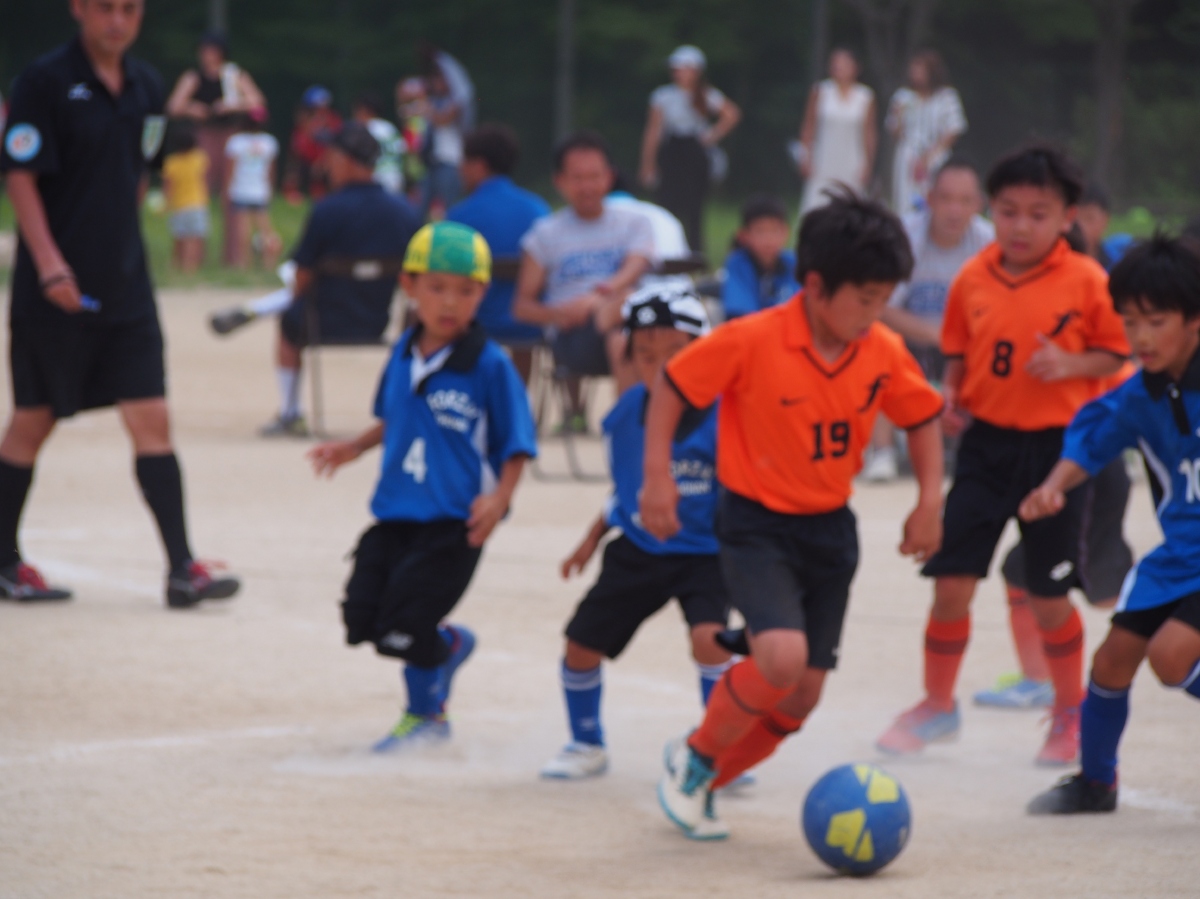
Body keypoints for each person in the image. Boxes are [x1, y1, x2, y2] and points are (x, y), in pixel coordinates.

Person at [646, 190, 945, 841]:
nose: (873, 314)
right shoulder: (752, 338)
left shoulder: (881, 349)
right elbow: (673, 386)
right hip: (755, 524)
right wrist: (657, 477)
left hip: (831, 530)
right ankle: (697, 757)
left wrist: (929, 500)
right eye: (864, 299)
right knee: (781, 658)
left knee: (802, 694)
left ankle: (706, 780)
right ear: (814, 286)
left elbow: (922, 417)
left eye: (883, 300)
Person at [876, 146, 1131, 766]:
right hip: (985, 448)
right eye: (1009, 211)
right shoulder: (973, 277)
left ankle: (1068, 713)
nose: (1021, 226)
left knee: (1048, 595)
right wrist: (952, 397)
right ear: (992, 210)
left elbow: (1118, 353)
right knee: (951, 583)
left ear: (1067, 217)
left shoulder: (1087, 280)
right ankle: (937, 705)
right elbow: (959, 357)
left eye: (1038, 214)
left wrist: (1071, 362)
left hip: (1059, 454)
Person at [0, 0, 239, 608]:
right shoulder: (44, 81)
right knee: (34, 419)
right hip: (54, 289)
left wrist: (120, 242)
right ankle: (3, 561)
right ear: (79, 8)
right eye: (105, 7)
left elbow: (139, 170)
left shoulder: (146, 86)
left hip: (126, 287)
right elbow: (20, 174)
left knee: (152, 414)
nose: (118, 20)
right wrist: (50, 264)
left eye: (129, 8)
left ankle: (182, 570)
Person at [307, 221, 537, 751]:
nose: (450, 302)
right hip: (395, 513)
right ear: (409, 286)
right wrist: (354, 447)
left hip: (453, 522)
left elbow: (517, 443)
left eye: (466, 290)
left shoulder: (490, 364)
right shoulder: (403, 352)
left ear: (483, 294)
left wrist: (500, 499)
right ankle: (450, 646)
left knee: (406, 628)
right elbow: (397, 416)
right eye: (436, 288)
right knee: (362, 619)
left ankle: (427, 717)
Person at [1023, 236, 1200, 814]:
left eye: (1157, 321)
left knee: (1172, 655)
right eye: (1130, 322)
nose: (1141, 337)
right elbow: (1093, 442)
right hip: (1182, 555)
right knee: (1113, 659)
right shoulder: (1139, 397)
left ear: (1194, 321)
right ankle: (1096, 784)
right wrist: (1053, 486)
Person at [541, 284, 730, 780]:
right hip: (641, 548)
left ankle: (720, 749)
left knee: (712, 640)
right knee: (580, 645)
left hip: (706, 554)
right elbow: (624, 490)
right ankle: (586, 743)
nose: (662, 366)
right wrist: (590, 539)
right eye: (645, 355)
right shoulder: (625, 416)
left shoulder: (725, 417)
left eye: (676, 352)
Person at [212, 123, 420, 436]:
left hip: (320, 322)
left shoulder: (327, 210)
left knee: (288, 321)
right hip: (377, 320)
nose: (325, 163)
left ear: (346, 160)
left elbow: (302, 277)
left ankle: (290, 412)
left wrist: (294, 290)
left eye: (331, 156)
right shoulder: (404, 212)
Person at [864, 159, 993, 482]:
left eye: (965, 201)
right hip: (909, 335)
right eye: (946, 199)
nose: (955, 210)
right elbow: (878, 306)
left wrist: (956, 340)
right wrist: (939, 334)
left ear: (978, 204)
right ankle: (882, 451)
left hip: (966, 343)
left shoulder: (989, 242)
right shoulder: (903, 236)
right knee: (877, 345)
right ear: (930, 198)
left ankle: (976, 445)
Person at [514, 131, 655, 427]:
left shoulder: (635, 223)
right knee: (631, 310)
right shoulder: (544, 235)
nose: (587, 186)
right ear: (560, 181)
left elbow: (636, 266)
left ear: (609, 177)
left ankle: (629, 430)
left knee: (621, 338)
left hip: (627, 331)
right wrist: (559, 314)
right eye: (577, 178)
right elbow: (522, 307)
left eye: (594, 176)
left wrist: (595, 299)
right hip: (573, 339)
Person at [446, 124, 549, 383]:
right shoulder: (538, 210)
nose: (460, 170)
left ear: (479, 166)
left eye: (464, 163)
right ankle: (519, 394)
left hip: (474, 324)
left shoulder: (460, 215)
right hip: (530, 326)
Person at [639, 46, 741, 254]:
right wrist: (648, 163)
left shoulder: (707, 95)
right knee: (667, 202)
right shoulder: (663, 96)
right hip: (672, 151)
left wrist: (712, 135)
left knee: (694, 205)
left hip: (695, 152)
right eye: (676, 69)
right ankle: (668, 249)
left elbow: (731, 114)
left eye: (684, 69)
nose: (679, 73)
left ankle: (695, 252)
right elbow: (654, 131)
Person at [165, 30, 265, 194]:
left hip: (232, 132)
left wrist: (231, 106)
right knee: (204, 178)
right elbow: (173, 106)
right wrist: (192, 108)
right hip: (205, 132)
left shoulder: (234, 75)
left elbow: (257, 101)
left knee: (231, 180)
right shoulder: (194, 77)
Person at [886, 50, 966, 214]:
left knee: (934, 197)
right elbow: (895, 131)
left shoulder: (946, 97)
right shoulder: (903, 97)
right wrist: (899, 117)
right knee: (905, 200)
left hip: (936, 153)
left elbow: (954, 129)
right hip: (908, 154)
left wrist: (929, 157)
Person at [798, 49, 876, 216]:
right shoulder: (820, 91)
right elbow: (809, 126)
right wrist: (805, 156)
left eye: (845, 64)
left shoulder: (865, 97)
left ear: (856, 68)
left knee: (850, 203)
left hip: (852, 159)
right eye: (835, 63)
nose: (839, 68)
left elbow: (869, 133)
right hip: (823, 157)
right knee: (818, 201)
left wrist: (868, 163)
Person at [721, 194, 799, 319]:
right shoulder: (738, 264)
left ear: (786, 232)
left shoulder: (793, 263)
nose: (768, 239)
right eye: (760, 231)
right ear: (744, 235)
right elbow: (741, 315)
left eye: (774, 230)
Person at [419, 46, 476, 218]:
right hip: (432, 162)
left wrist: (426, 109)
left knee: (449, 207)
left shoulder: (457, 104)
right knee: (421, 207)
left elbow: (442, 119)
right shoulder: (436, 102)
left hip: (451, 161)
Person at [223, 108, 280, 270]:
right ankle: (269, 263)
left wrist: (227, 190)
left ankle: (243, 263)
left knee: (243, 231)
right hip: (260, 190)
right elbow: (271, 170)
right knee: (265, 230)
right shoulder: (269, 142)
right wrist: (271, 188)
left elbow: (230, 169)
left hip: (240, 189)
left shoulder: (236, 141)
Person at [161, 121, 210, 274]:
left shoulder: (171, 162)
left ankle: (177, 263)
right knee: (195, 237)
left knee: (180, 237)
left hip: (179, 206)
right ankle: (191, 266)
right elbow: (203, 178)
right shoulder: (199, 158)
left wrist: (166, 205)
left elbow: (168, 188)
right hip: (197, 204)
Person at [282, 86, 341, 203]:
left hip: (325, 160)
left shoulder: (332, 120)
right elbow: (298, 144)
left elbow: (335, 144)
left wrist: (322, 161)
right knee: (294, 167)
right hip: (307, 160)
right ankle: (292, 194)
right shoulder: (304, 119)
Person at [352, 92, 404, 195]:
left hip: (377, 178)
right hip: (396, 177)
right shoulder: (389, 127)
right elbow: (402, 150)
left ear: (364, 110)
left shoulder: (365, 129)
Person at [1074, 182, 1134, 271]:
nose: (1081, 226)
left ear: (1106, 219)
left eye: (1089, 218)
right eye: (1074, 219)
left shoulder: (1120, 260)